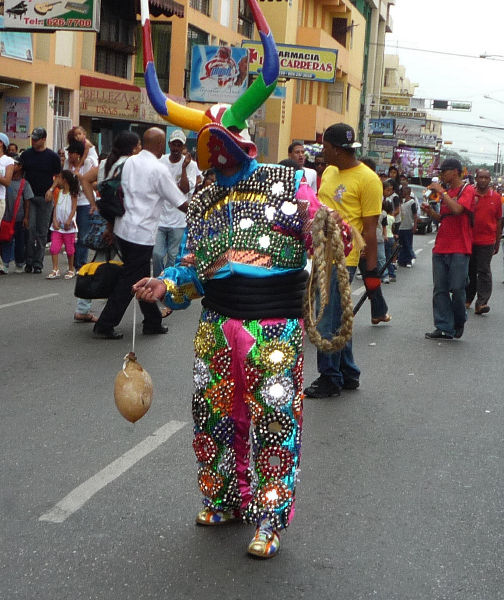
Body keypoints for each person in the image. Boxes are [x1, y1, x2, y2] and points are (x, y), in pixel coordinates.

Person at [133, 0, 352, 559]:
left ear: (242, 142)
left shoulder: (289, 181)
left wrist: (334, 231)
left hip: (274, 328)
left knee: (275, 420)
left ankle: (270, 518)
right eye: (210, 150)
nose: (217, 157)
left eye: (224, 146)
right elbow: (192, 266)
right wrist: (167, 285)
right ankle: (226, 497)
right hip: (216, 325)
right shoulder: (205, 198)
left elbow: (327, 235)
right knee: (212, 417)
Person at [304, 122, 388, 400]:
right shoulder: (328, 171)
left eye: (325, 147)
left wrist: (372, 271)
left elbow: (370, 229)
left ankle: (329, 378)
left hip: (343, 257)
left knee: (326, 317)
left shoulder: (368, 180)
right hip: (319, 252)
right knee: (338, 315)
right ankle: (348, 372)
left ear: (338, 150)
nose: (321, 151)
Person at [92, 127, 188, 339]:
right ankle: (105, 323)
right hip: (141, 233)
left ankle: (152, 321)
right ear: (160, 145)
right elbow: (180, 201)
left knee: (140, 275)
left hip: (123, 227)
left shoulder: (130, 161)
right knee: (130, 280)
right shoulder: (158, 169)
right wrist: (202, 212)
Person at [76, 132, 141, 324]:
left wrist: (93, 203)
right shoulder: (130, 165)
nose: (140, 149)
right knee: (132, 268)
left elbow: (85, 179)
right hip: (120, 221)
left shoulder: (105, 163)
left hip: (104, 217)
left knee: (101, 262)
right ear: (132, 148)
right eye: (138, 146)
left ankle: (83, 307)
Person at [421, 158, 475, 340]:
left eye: (445, 171)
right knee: (440, 289)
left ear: (455, 171)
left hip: (460, 248)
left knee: (458, 288)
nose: (442, 175)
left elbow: (458, 210)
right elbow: (444, 219)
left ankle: (459, 320)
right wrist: (431, 213)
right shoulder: (448, 193)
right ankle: (444, 326)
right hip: (441, 247)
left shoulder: (467, 190)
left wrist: (442, 192)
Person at [154, 129, 199, 276]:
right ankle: (157, 280)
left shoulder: (190, 165)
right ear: (169, 144)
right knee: (157, 254)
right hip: (160, 218)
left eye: (179, 145)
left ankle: (167, 283)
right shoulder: (160, 162)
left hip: (179, 220)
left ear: (183, 147)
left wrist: (184, 168)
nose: (176, 148)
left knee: (173, 257)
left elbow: (184, 190)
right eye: (174, 144)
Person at [20, 127, 61, 274]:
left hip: (45, 198)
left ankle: (38, 263)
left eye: (37, 139)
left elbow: (59, 176)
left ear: (44, 139)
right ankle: (29, 261)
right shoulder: (26, 155)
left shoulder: (52, 156)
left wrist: (51, 189)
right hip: (29, 198)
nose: (34, 141)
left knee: (42, 231)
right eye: (33, 138)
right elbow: (21, 173)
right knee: (29, 229)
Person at [465, 169, 502, 314]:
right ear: (476, 178)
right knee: (469, 271)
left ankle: (481, 303)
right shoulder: (469, 194)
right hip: (469, 238)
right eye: (481, 177)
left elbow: (499, 221)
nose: (483, 180)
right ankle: (467, 298)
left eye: (486, 178)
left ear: (490, 180)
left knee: (484, 271)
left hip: (487, 241)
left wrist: (497, 242)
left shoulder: (496, 197)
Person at [61, 140, 96, 271]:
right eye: (69, 153)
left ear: (79, 154)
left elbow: (89, 182)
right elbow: (63, 180)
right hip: (70, 202)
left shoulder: (87, 163)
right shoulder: (66, 164)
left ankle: (80, 264)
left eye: (72, 154)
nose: (70, 156)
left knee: (83, 234)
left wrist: (78, 176)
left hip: (84, 201)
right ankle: (73, 262)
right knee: (70, 233)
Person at [0, 155, 33, 274]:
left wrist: (26, 217)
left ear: (20, 167)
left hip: (18, 217)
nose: (12, 166)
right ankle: (5, 263)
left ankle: (20, 263)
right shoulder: (4, 181)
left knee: (19, 242)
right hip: (5, 216)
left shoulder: (24, 183)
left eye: (15, 164)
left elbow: (27, 201)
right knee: (5, 240)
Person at [46, 170, 78, 280]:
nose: (57, 180)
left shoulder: (73, 193)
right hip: (58, 226)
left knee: (70, 249)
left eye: (59, 178)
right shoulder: (59, 192)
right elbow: (56, 207)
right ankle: (55, 269)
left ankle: (71, 269)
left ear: (64, 180)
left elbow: (73, 208)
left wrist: (69, 220)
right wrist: (54, 219)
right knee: (54, 247)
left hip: (68, 227)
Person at [397, 185, 418, 268]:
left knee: (408, 244)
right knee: (401, 244)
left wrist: (415, 226)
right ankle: (402, 260)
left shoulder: (412, 202)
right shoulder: (401, 202)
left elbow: (415, 215)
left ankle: (409, 259)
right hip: (401, 226)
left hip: (408, 226)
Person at [383, 200, 396, 283]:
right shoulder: (392, 218)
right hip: (391, 237)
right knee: (389, 257)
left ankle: (390, 273)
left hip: (385, 238)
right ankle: (391, 273)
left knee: (384, 258)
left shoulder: (383, 216)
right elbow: (392, 228)